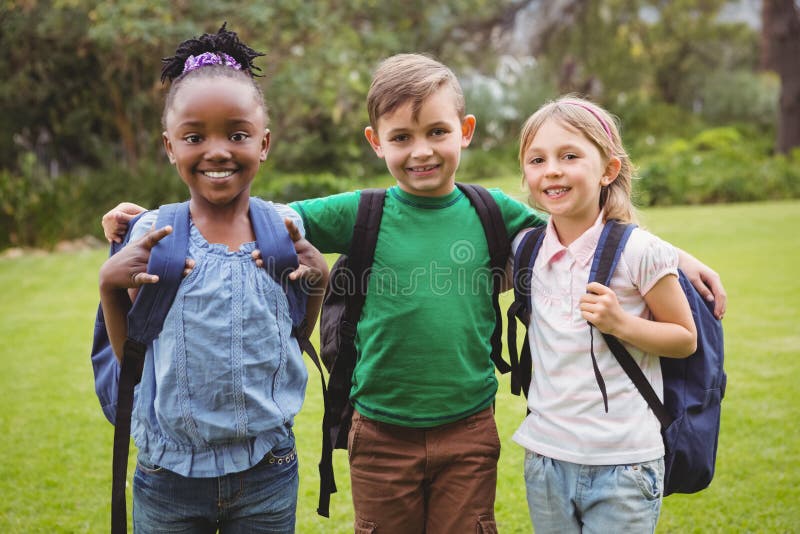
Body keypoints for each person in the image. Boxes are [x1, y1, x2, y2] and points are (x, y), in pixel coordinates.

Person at [102, 55, 726, 533]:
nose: (421, 151)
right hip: (379, 434)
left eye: (437, 132)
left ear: (465, 131)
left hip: (469, 431)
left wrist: (676, 256)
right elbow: (249, 211)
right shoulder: (359, 211)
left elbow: (587, 231)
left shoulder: (492, 211)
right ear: (376, 142)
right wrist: (150, 220)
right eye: (401, 137)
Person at [98, 25, 328, 533]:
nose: (218, 151)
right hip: (168, 475)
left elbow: (292, 337)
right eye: (195, 137)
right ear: (169, 146)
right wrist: (109, 287)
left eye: (237, 134)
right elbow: (131, 359)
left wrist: (320, 282)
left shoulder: (283, 227)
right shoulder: (152, 233)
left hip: (268, 468)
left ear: (264, 143)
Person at [512, 96, 703, 533]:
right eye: (537, 160)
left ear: (608, 170)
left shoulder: (640, 251)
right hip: (546, 458)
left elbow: (684, 338)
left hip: (624, 463)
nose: (552, 170)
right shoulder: (526, 249)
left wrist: (622, 324)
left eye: (570, 156)